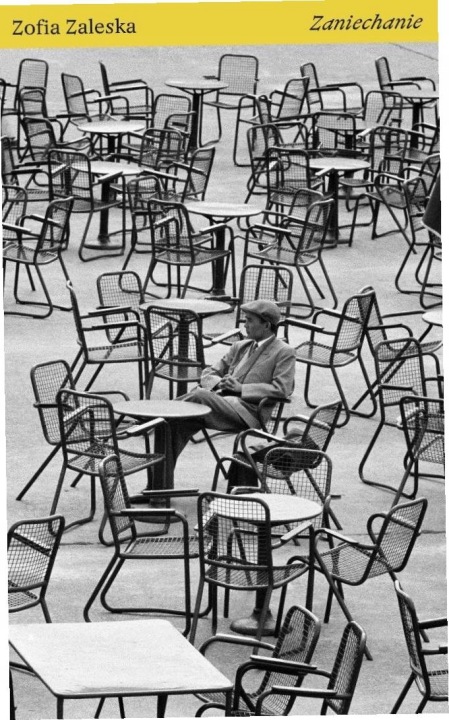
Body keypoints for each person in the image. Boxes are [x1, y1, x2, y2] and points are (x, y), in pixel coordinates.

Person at [171, 299, 296, 462]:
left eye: (249, 320)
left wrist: (241, 389)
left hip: (249, 412)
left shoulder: (284, 352)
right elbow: (208, 373)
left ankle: (158, 413)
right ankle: (161, 476)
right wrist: (218, 383)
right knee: (174, 425)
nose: (245, 325)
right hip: (222, 403)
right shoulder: (240, 346)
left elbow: (282, 389)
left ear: (266, 325)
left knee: (200, 396)